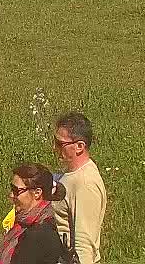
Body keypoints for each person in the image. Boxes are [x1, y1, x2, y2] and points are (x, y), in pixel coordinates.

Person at [0, 163, 70, 264]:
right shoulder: (27, 223)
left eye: (16, 191)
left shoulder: (37, 235)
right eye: (11, 188)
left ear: (37, 193)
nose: (11, 195)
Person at [52, 112, 107, 264]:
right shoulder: (72, 174)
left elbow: (84, 242)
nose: (54, 147)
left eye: (60, 143)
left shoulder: (85, 183)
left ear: (79, 146)